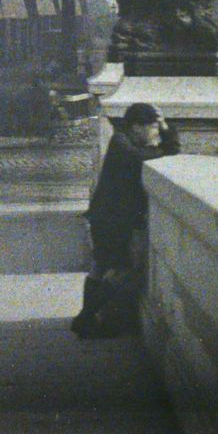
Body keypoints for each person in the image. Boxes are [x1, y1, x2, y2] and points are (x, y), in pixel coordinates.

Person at [72, 102, 179, 339]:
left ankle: (86, 319)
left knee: (102, 266)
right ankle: (90, 318)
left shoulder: (124, 141)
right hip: (111, 220)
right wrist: (168, 139)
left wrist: (164, 129)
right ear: (137, 127)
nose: (155, 133)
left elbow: (156, 153)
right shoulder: (120, 143)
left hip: (108, 218)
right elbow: (148, 157)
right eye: (153, 127)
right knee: (116, 269)